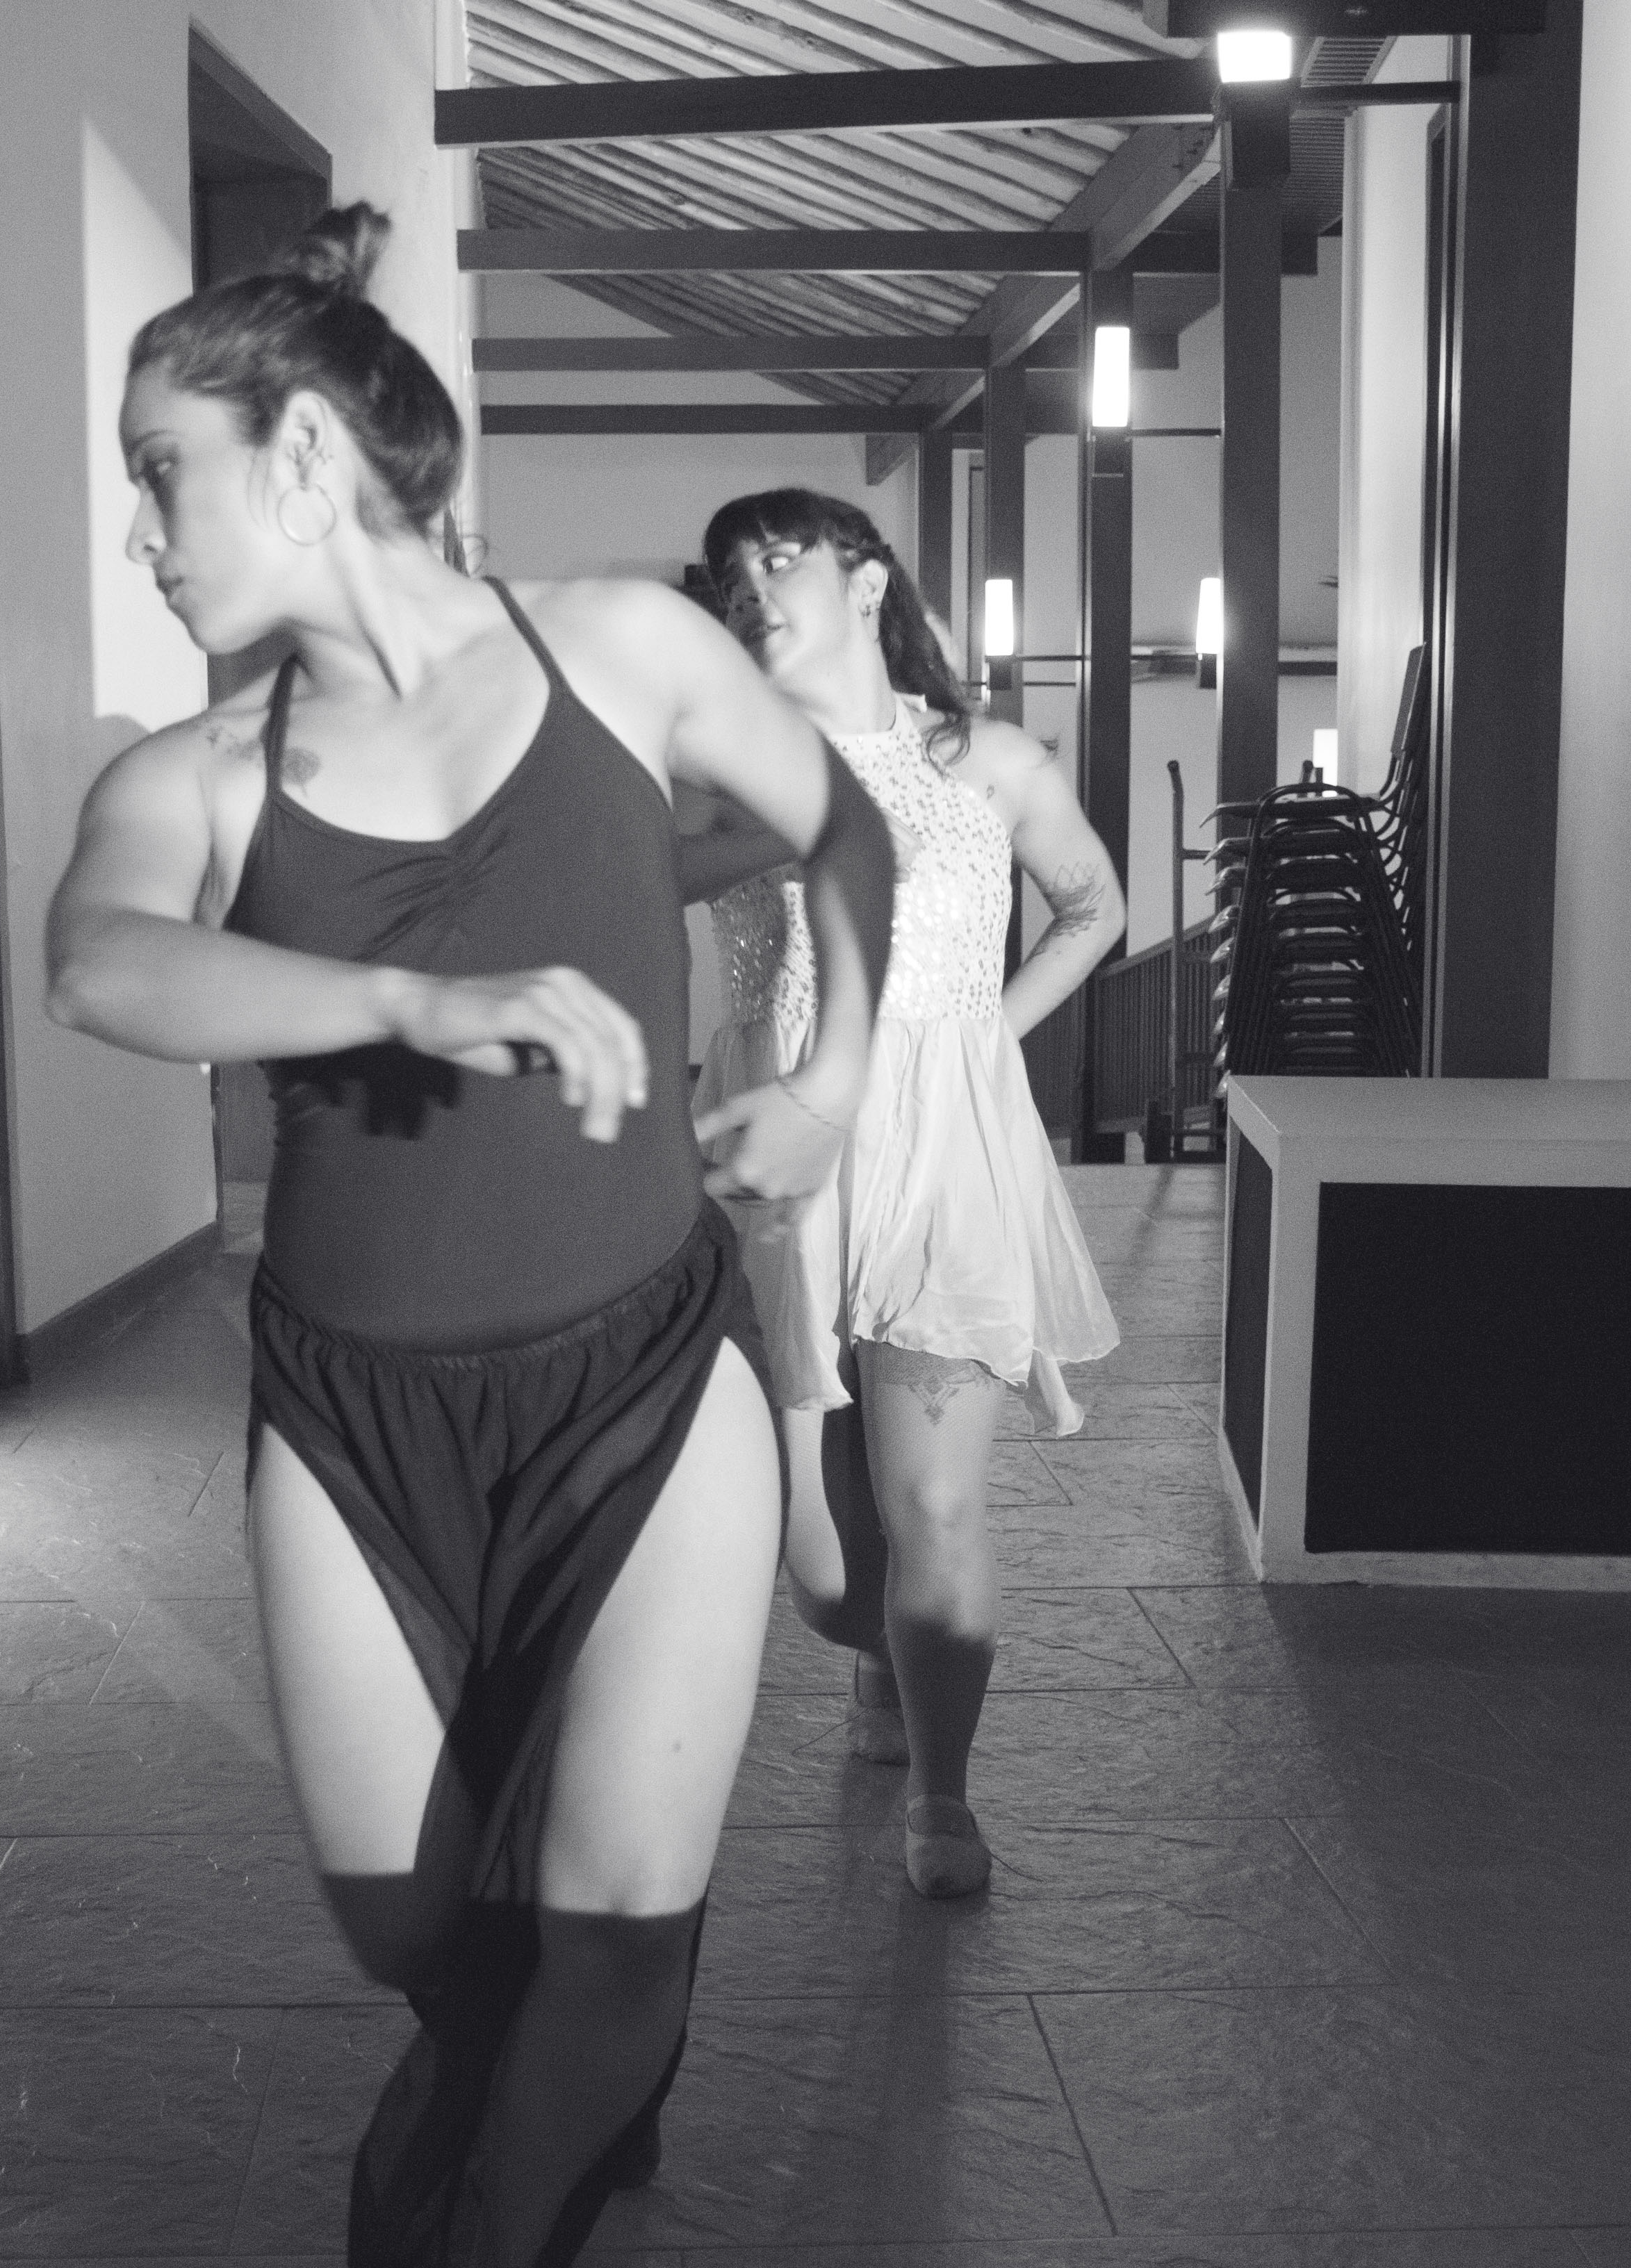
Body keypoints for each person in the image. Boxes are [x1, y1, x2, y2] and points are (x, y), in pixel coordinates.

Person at [42, 211, 895, 2267]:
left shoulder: (619, 650)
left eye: (160, 473)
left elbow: (846, 821)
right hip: (352, 1413)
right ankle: (549, 2046)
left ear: (303, 457)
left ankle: (532, 2162)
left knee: (613, 1924)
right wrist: (406, 1000)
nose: (140, 534)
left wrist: (836, 1072)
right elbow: (100, 965)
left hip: (641, 1375)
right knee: (407, 1922)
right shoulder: (198, 774)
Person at [680, 488, 1122, 1900]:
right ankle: (874, 1654)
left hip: (944, 1156)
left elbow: (1096, 908)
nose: (752, 584)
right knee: (826, 1574)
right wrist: (788, 821)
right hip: (783, 1172)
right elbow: (638, 878)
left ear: (868, 583)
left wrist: (986, 1036)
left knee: (932, 1504)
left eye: (781, 556)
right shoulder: (716, 767)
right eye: (732, 572)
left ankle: (943, 1786)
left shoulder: (986, 761)